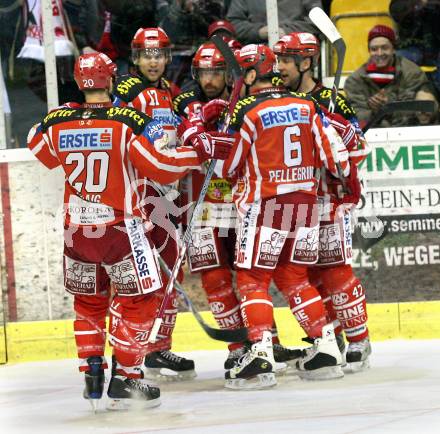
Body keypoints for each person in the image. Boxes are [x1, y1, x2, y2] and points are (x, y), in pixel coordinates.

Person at [27, 52, 232, 409]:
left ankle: (92, 367)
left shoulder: (57, 121)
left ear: (78, 82)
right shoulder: (128, 121)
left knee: (89, 303)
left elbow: (37, 145)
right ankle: (126, 378)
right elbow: (163, 168)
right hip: (120, 229)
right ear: (112, 79)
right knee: (141, 301)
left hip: (76, 232)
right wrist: (198, 151)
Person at [216, 43, 352, 388]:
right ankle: (325, 349)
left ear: (249, 75)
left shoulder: (248, 111)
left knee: (252, 280)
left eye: (239, 75)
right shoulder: (307, 105)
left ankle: (261, 353)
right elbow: (333, 158)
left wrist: (214, 141)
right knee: (294, 279)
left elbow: (228, 168)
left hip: (266, 207)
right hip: (306, 205)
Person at [173, 41, 302, 371]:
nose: (210, 79)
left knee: (254, 276)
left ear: (230, 74)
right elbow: (191, 144)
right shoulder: (187, 105)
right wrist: (200, 124)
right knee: (215, 280)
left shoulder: (247, 106)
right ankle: (237, 346)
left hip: (244, 205)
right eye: (204, 72)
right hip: (202, 209)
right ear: (195, 74)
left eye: (217, 71)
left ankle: (266, 342)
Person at [274, 32, 372, 371]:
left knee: (334, 271)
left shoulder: (334, 101)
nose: (280, 67)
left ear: (305, 63)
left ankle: (359, 339)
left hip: (328, 201)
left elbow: (358, 147)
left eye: (286, 60)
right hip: (293, 204)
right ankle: (328, 339)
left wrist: (332, 125)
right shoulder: (277, 99)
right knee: (303, 274)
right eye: (279, 60)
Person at [113, 27, 198, 380]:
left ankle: (158, 348)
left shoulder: (170, 93)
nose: (153, 60)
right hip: (140, 196)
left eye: (159, 54)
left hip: (169, 196)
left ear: (167, 58)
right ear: (135, 58)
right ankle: (128, 351)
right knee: (139, 280)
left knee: (171, 270)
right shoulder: (126, 93)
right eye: (146, 54)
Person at [344, 24, 434, 128]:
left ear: (393, 48)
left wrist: (389, 106)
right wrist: (374, 111)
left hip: (409, 132)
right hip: (372, 135)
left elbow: (419, 112)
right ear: (369, 51)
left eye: (385, 48)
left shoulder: (412, 73)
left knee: (425, 97)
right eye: (374, 49)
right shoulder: (355, 81)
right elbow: (356, 118)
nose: (379, 53)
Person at [389, 0, 440, 95]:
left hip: (435, 50)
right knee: (394, 59)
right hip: (419, 49)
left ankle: (433, 88)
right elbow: (397, 12)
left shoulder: (432, 9)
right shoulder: (408, 12)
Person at [226, 0, 322, 45]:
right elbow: (233, 25)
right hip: (256, 55)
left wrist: (286, 31)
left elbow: (318, 22)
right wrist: (259, 32)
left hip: (296, 52)